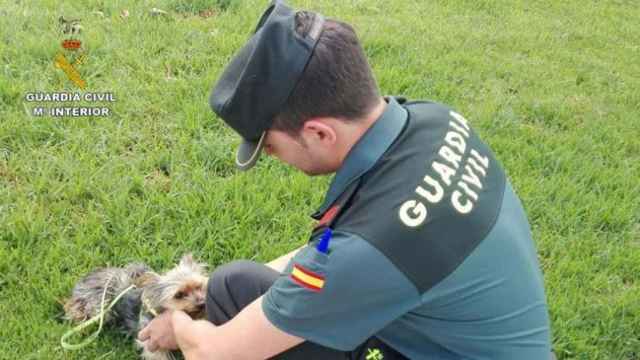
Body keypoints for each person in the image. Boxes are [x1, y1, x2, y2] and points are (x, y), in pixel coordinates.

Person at [137, 1, 553, 359]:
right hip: (454, 336)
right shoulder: (435, 119)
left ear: (319, 133)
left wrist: (180, 327)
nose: (270, 156)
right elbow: (332, 249)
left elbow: (217, 353)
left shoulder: (371, 249)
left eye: (270, 146)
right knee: (235, 283)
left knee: (232, 307)